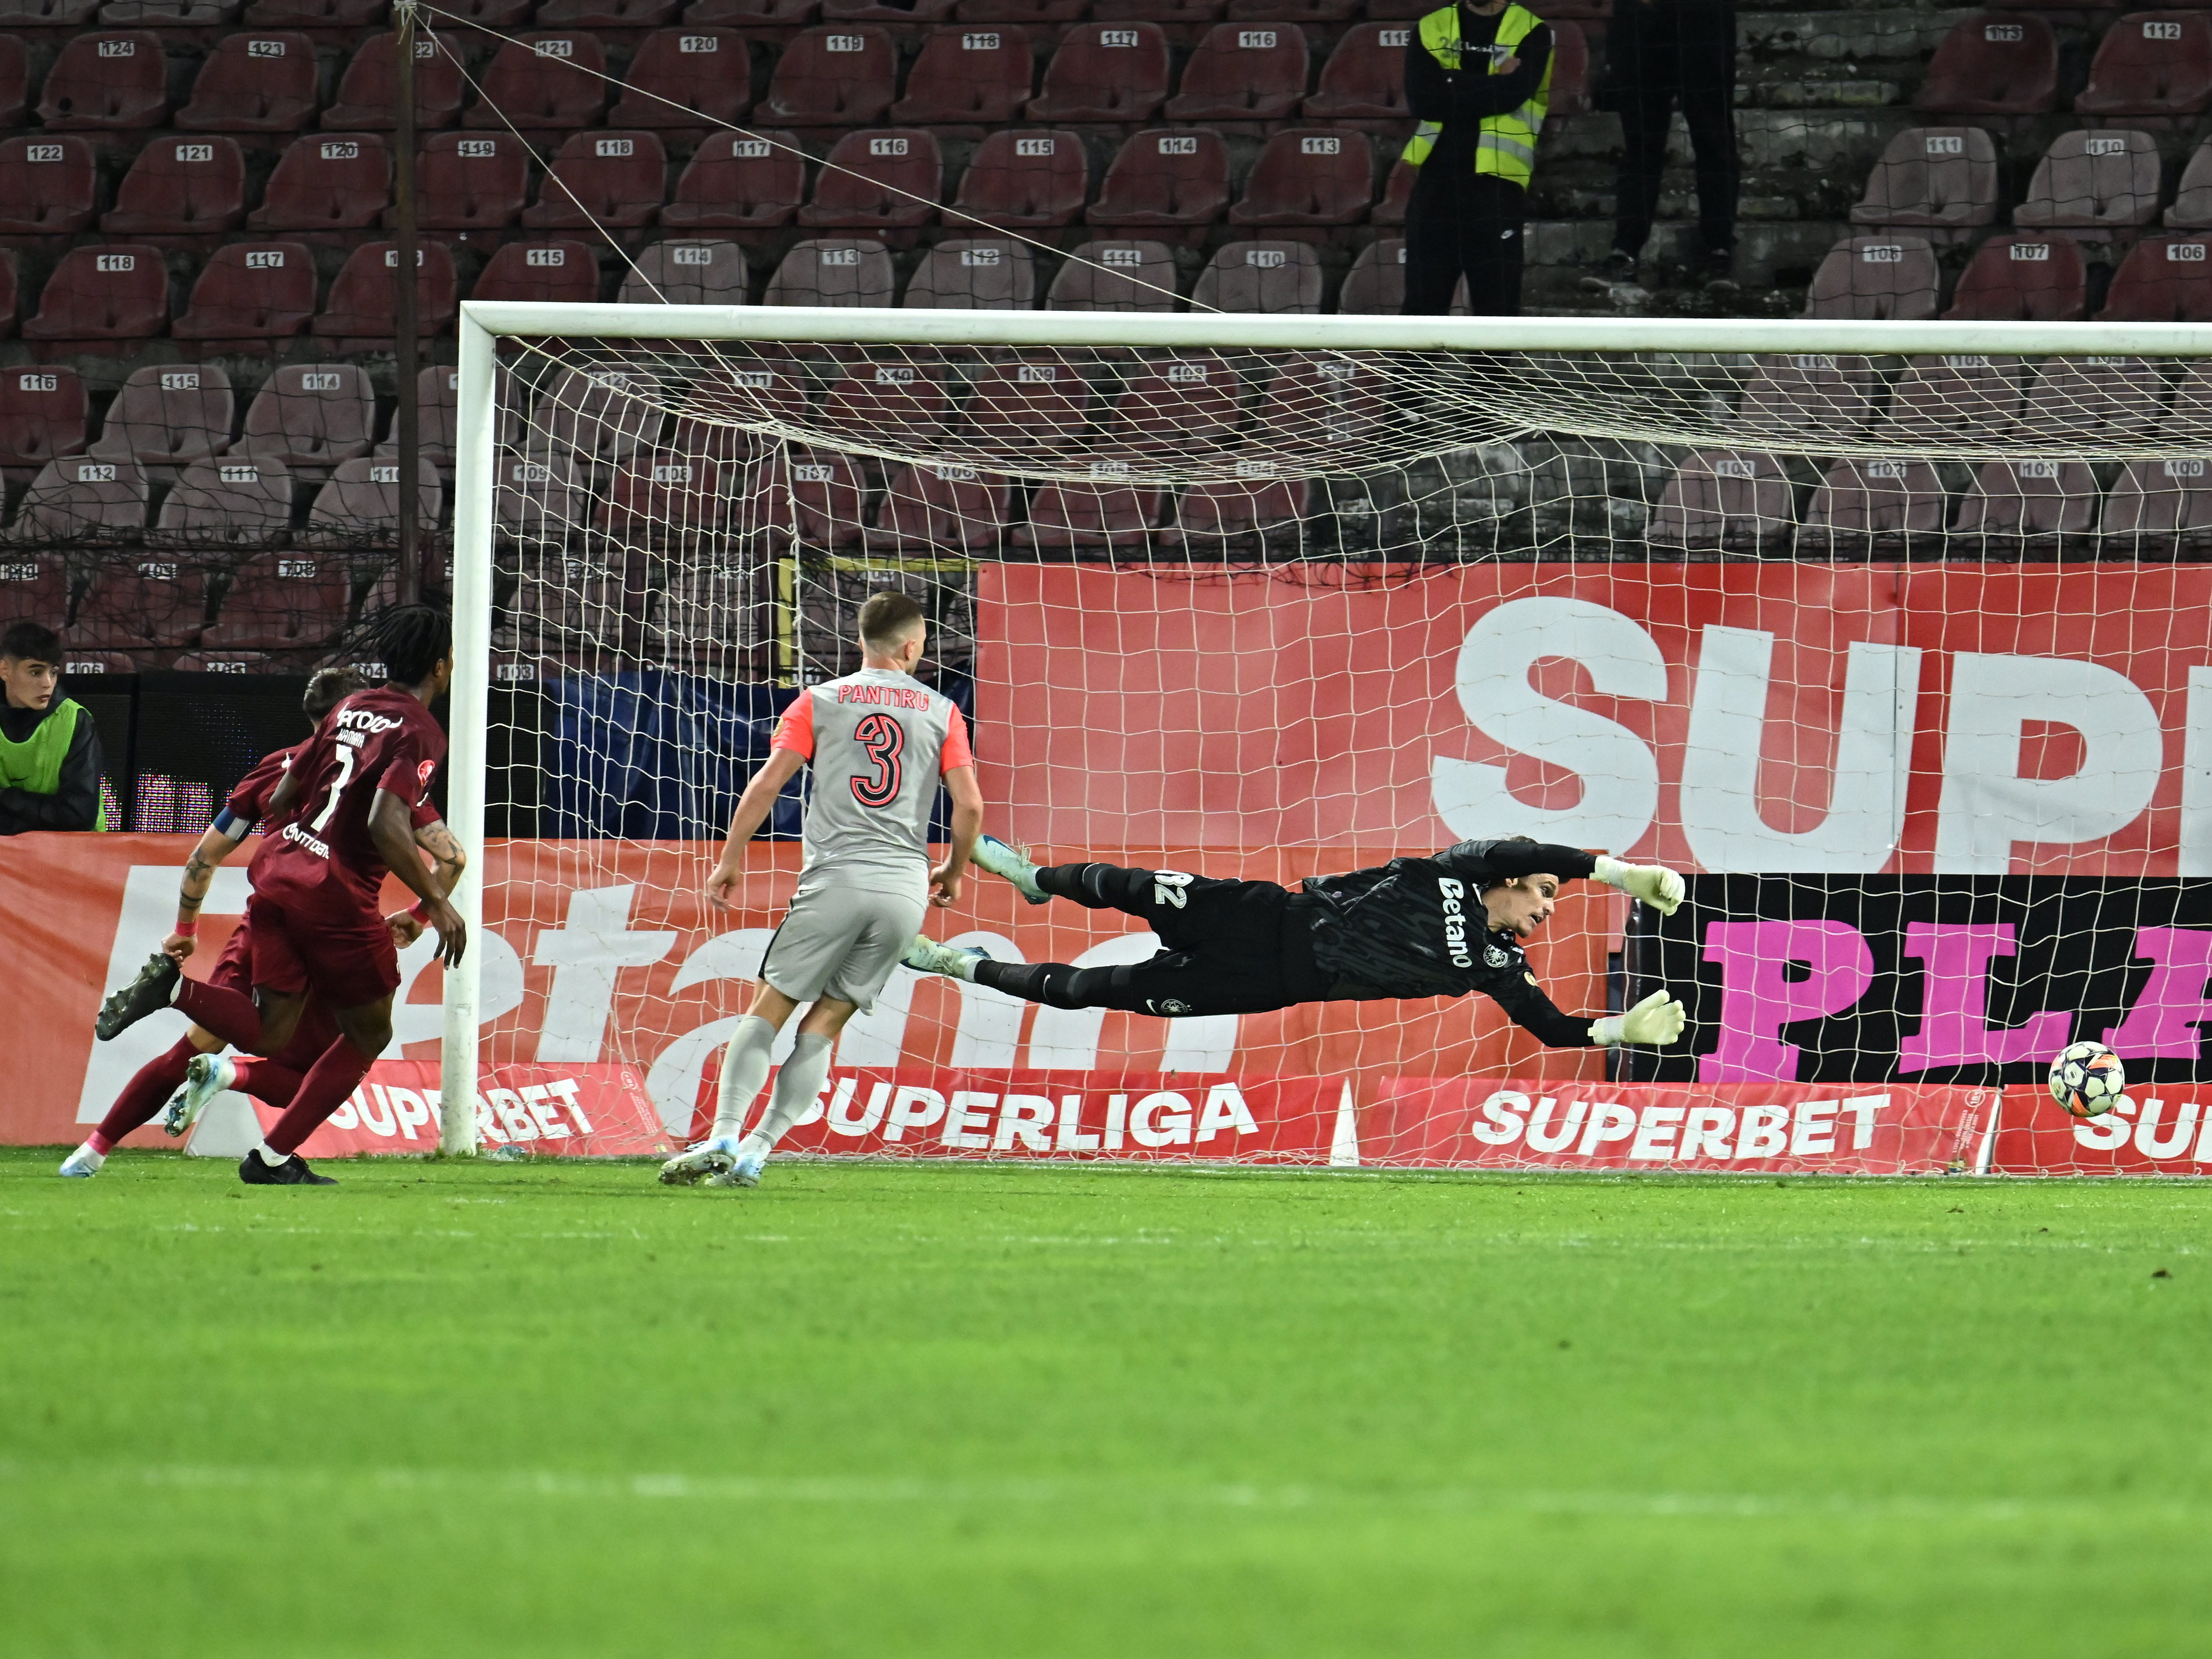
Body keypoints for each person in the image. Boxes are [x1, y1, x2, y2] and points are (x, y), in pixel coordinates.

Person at [93, 607, 466, 1186]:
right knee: (369, 1031)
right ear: (443, 665)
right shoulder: (420, 730)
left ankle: (176, 988)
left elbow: (286, 792)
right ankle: (270, 1157)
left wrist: (306, 835)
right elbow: (384, 821)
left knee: (268, 1033)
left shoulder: (349, 707)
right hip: (334, 894)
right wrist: (435, 905)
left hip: (278, 871)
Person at [659, 590, 984, 1191]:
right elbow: (969, 804)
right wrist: (955, 870)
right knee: (825, 1025)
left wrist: (730, 859)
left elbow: (765, 784)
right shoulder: (943, 710)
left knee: (768, 1009)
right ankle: (758, 1151)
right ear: (913, 646)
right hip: (903, 891)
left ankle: (726, 1133)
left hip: (835, 877)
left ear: (861, 641)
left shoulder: (821, 700)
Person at [903, 836, 1690, 1052]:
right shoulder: (1459, 869)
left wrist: (1619, 1028)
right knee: (1134, 885)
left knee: (1092, 990)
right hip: (1263, 915)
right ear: (1513, 883)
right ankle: (1036, 877)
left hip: (1266, 981)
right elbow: (1525, 850)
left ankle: (955, 962)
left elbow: (1550, 1028)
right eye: (1545, 893)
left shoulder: (1495, 965)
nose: (1544, 908)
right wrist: (1614, 872)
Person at [1399, 0, 1555, 317]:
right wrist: (1496, 82)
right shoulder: (1432, 26)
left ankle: (1490, 372)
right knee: (1421, 305)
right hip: (1435, 182)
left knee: (1497, 307)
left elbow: (1513, 94)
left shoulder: (1533, 31)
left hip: (1497, 185)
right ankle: (1414, 371)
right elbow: (1422, 100)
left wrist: (1449, 81)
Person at [1592, 0, 1741, 289]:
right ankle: (1625, 252)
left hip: (1703, 18)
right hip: (1640, 16)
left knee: (1713, 135)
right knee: (1640, 142)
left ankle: (1720, 252)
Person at [0, 619, 105, 834]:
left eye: (54, 672)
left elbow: (79, 815)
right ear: (5, 671)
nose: (48, 683)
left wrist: (6, 797)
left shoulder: (76, 720)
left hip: (74, 852)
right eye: (36, 672)